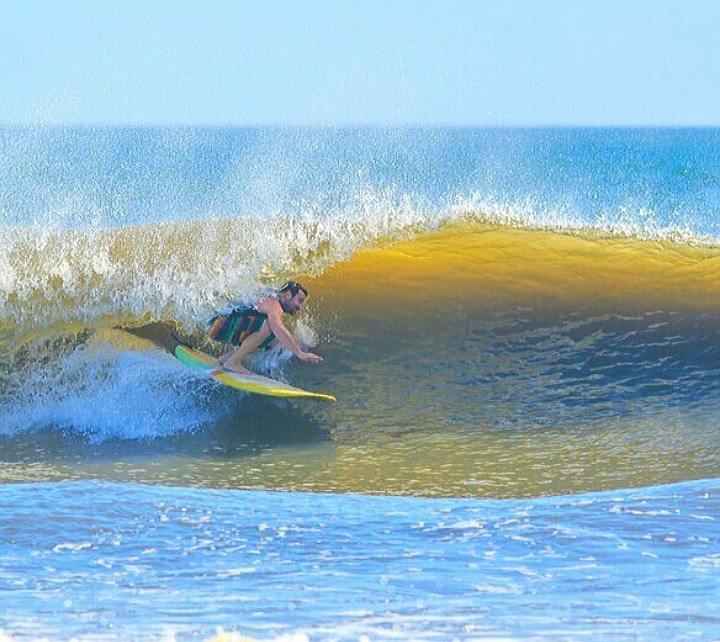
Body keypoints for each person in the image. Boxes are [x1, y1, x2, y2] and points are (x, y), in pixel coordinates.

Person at [208, 280, 323, 376]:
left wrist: (300, 344)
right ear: (287, 295)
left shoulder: (271, 302)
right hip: (218, 323)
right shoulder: (274, 303)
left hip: (219, 326)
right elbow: (277, 327)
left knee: (274, 340)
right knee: (270, 327)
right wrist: (300, 353)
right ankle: (233, 361)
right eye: (299, 301)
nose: (300, 307)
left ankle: (227, 359)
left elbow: (280, 335)